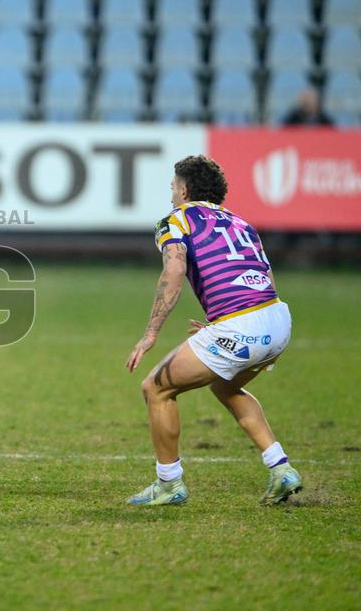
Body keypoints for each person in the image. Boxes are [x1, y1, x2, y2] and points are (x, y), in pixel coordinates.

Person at [125, 155, 302, 506]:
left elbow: (174, 273)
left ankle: (168, 484)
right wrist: (226, 319)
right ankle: (281, 468)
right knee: (225, 385)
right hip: (277, 318)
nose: (172, 194)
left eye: (174, 187)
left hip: (240, 325)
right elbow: (264, 278)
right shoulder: (241, 223)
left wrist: (150, 334)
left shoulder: (175, 220)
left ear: (185, 189)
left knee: (155, 389)